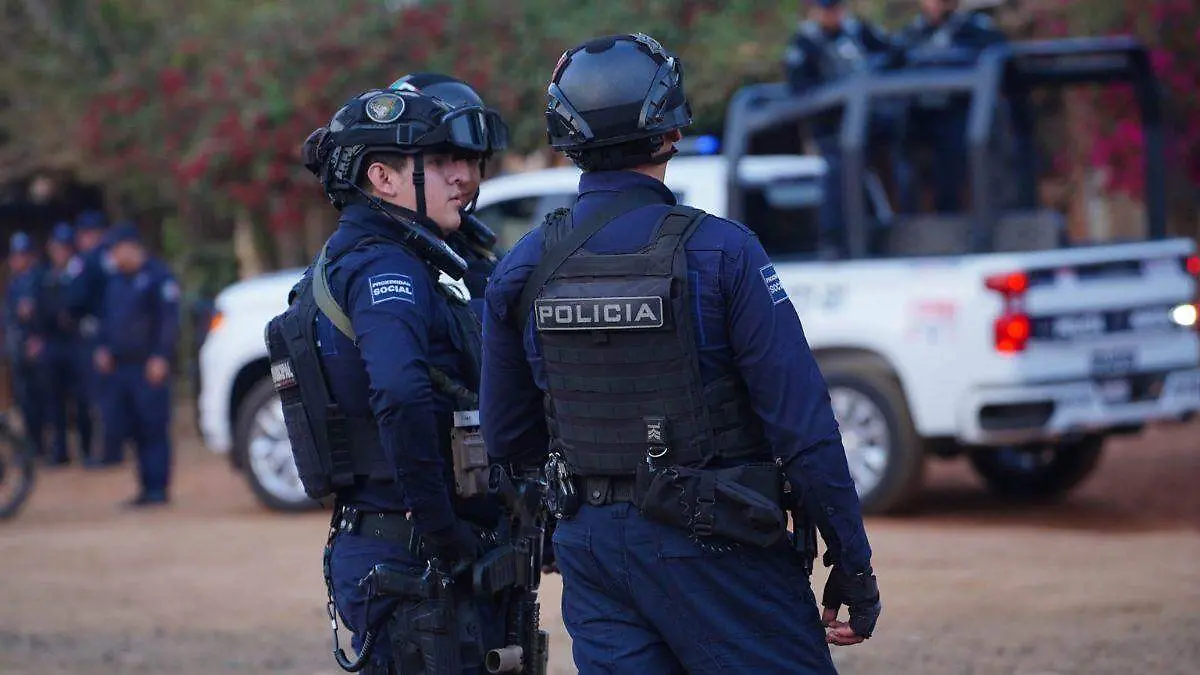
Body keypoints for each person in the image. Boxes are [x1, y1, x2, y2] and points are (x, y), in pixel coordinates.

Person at [480, 33, 881, 674]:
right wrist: (851, 560)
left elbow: (506, 437)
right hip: (720, 541)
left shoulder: (521, 268)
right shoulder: (725, 253)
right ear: (670, 131)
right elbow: (803, 426)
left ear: (564, 137)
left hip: (595, 549)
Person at [274, 88, 506, 674]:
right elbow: (400, 394)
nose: (464, 177)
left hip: (395, 550)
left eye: (467, 162)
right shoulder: (384, 265)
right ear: (382, 178)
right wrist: (443, 529)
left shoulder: (361, 257)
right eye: (442, 162)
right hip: (415, 561)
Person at [390, 72, 511, 318]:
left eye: (473, 159)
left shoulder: (479, 255)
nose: (464, 176)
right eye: (440, 160)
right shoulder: (376, 270)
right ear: (386, 174)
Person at [785, 0, 895, 254]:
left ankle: (881, 234)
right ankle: (835, 241)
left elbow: (893, 55)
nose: (832, 14)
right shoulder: (806, 42)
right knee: (838, 175)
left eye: (835, 7)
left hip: (870, 125)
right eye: (826, 9)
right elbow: (800, 88)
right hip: (831, 129)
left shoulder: (859, 32)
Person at [94, 223, 181, 506]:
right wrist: (104, 348)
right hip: (122, 367)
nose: (113, 256)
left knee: (152, 426)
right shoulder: (115, 281)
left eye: (116, 250)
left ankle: (158, 487)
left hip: (149, 366)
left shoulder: (158, 277)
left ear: (130, 247)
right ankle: (145, 486)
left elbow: (169, 322)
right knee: (132, 428)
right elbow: (107, 320)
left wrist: (161, 356)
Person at [894, 0, 1008, 213]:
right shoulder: (911, 34)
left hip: (962, 116)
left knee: (956, 168)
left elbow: (999, 61)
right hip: (920, 120)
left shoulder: (976, 30)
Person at [31, 222, 91, 466]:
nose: (59, 252)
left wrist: (65, 313)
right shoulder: (44, 276)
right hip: (52, 343)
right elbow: (40, 309)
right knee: (54, 401)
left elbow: (81, 304)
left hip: (76, 343)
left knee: (81, 400)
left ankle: (87, 448)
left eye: (64, 247)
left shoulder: (81, 273)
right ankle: (60, 451)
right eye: (56, 248)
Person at [68, 209, 112, 467]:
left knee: (98, 398)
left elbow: (76, 299)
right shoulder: (96, 259)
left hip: (97, 333)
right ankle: (101, 449)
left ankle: (104, 451)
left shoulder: (93, 260)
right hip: (91, 333)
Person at [4, 231, 46, 458]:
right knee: (24, 400)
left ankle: (45, 446)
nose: (18, 260)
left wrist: (39, 335)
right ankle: (32, 447)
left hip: (38, 347)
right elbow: (9, 316)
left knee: (42, 399)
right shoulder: (14, 284)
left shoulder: (41, 279)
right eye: (15, 255)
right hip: (18, 348)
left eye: (22, 254)